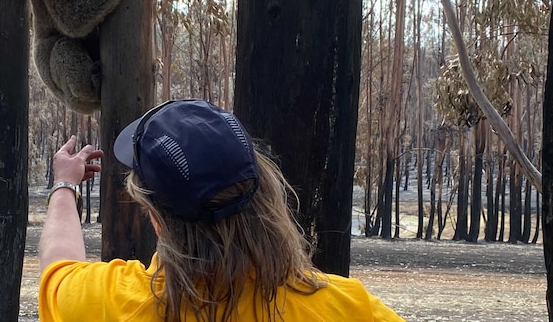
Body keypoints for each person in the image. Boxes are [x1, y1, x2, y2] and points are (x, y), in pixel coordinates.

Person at [38, 99, 403, 321]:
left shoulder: (119, 305)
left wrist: (64, 186)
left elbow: (57, 271)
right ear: (266, 194)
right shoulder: (347, 307)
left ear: (157, 220)